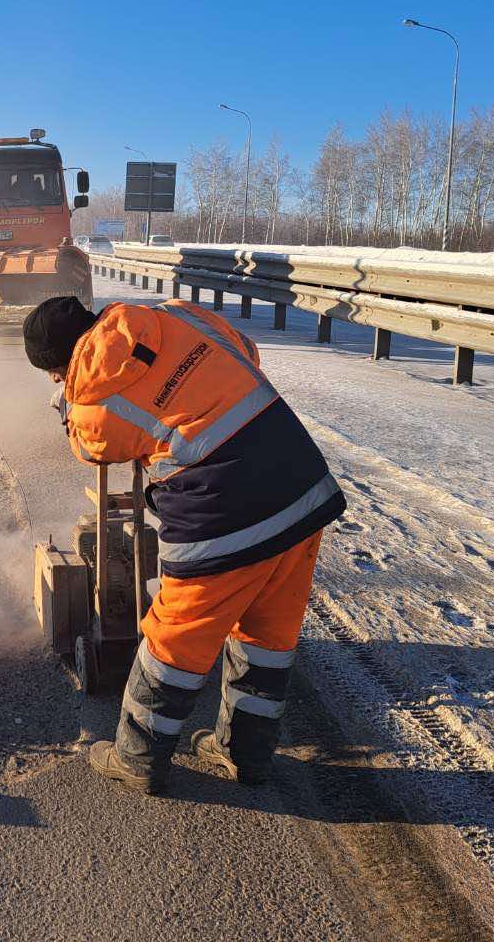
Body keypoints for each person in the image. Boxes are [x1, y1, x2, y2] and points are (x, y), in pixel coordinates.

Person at [22, 295, 345, 793]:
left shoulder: (89, 398)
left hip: (223, 518)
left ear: (61, 366)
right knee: (267, 631)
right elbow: (246, 351)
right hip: (301, 489)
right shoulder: (175, 315)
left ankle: (137, 758)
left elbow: (90, 448)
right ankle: (245, 754)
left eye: (54, 375)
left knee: (175, 639)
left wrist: (66, 398)